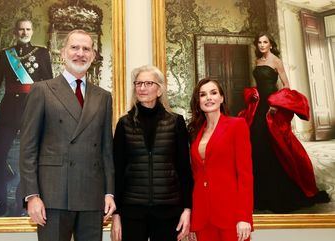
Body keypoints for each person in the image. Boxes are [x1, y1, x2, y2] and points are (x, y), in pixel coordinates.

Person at [19, 29, 116, 241]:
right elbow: (28, 148)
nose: (80, 53)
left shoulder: (104, 97)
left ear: (92, 55)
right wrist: (32, 196)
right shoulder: (42, 90)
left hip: (92, 195)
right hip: (53, 195)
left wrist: (109, 193)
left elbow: (106, 151)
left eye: (86, 49)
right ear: (62, 53)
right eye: (74, 47)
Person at [240, 32, 330, 213]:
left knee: (275, 144)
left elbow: (286, 85)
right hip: (259, 105)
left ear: (271, 45)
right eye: (259, 42)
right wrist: (254, 94)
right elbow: (259, 84)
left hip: (272, 106)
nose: (262, 45)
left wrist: (277, 104)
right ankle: (259, 191)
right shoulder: (257, 62)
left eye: (265, 42)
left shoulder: (276, 61)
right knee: (256, 143)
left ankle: (279, 189)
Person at [111, 65, 193, 241]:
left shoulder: (176, 122)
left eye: (148, 83)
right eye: (138, 83)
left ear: (159, 89)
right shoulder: (124, 124)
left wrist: (187, 209)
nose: (142, 88)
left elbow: (184, 169)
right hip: (132, 211)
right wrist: (116, 214)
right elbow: (117, 170)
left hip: (168, 211)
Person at [0, 18, 53, 217]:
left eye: (28, 29)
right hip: (9, 110)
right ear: (15, 31)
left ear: (32, 31)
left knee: (29, 158)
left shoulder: (42, 53)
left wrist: (49, 111)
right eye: (21, 29)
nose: (24, 32)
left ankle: (23, 203)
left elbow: (48, 84)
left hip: (33, 110)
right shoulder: (6, 55)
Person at [188, 78, 253, 241]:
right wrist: (192, 218)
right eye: (203, 95)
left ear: (222, 98)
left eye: (213, 93)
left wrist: (244, 216)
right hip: (203, 216)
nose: (208, 98)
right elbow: (195, 176)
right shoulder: (195, 132)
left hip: (230, 215)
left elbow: (245, 175)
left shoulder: (237, 125)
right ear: (198, 102)